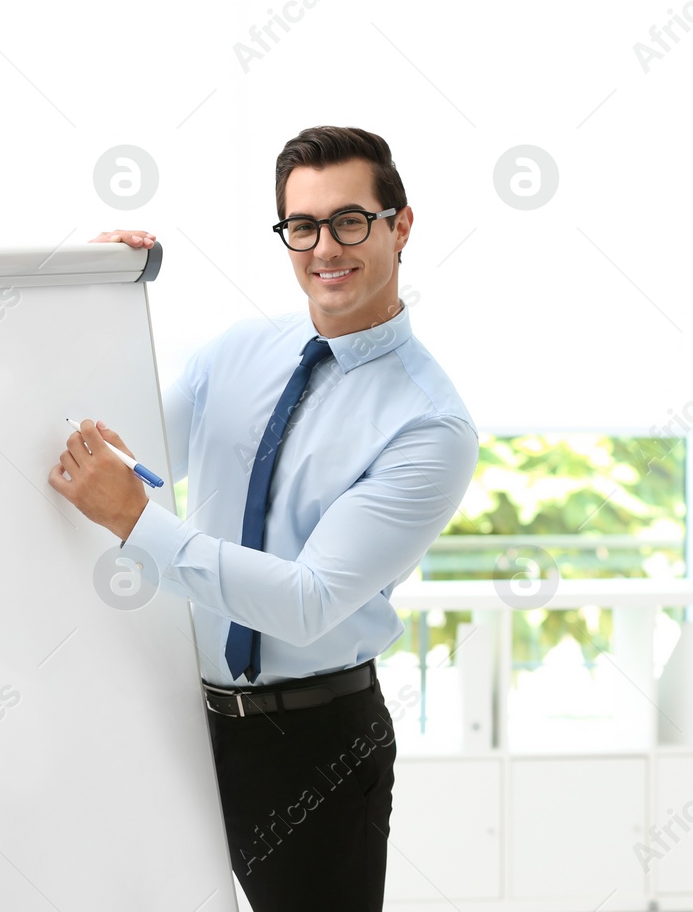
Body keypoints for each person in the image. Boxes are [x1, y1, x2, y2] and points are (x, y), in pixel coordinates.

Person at [48, 125, 478, 912]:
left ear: (400, 225)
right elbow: (111, 455)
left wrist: (140, 522)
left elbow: (305, 600)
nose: (325, 247)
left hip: (315, 747)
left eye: (350, 220)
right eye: (302, 226)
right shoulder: (235, 353)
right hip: (182, 716)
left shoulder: (428, 425)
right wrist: (89, 300)